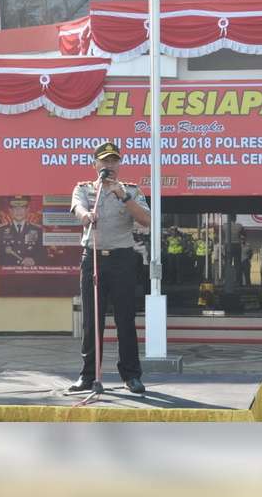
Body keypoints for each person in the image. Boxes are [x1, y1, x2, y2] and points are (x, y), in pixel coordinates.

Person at [69, 141, 151, 394]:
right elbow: (78, 208)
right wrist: (85, 216)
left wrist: (122, 195)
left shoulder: (131, 191)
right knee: (92, 320)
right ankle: (88, 375)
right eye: (104, 161)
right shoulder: (83, 189)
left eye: (114, 161)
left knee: (125, 318)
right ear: (95, 164)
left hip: (122, 259)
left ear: (120, 164)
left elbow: (146, 220)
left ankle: (131, 375)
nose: (109, 165)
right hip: (92, 257)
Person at [0, 195, 48, 266]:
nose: (19, 211)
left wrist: (34, 260)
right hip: (6, 274)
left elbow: (44, 256)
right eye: (15, 208)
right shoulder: (0, 231)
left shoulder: (38, 231)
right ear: (10, 211)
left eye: (22, 208)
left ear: (27, 210)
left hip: (29, 274)